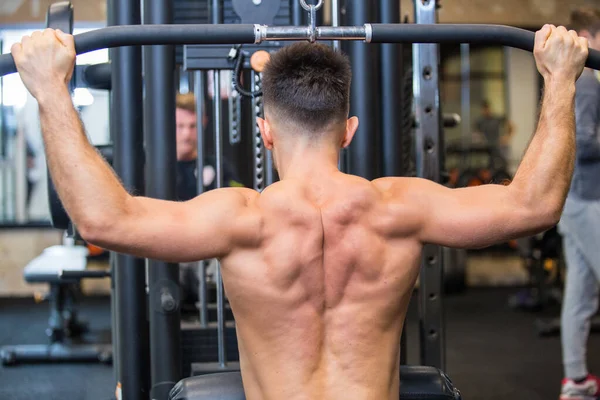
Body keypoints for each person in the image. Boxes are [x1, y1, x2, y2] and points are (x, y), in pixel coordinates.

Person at [11, 25, 587, 399]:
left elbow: (102, 220)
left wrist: (51, 90)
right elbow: (534, 205)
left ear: (263, 134)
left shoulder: (242, 219)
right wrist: (560, 80)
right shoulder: (399, 208)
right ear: (349, 131)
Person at [557, 7, 600, 400]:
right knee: (581, 294)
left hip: (573, 199)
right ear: (588, 37)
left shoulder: (574, 81)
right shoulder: (586, 82)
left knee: (581, 295)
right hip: (586, 199)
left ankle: (575, 380)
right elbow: (584, 143)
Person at [473, 99, 514, 167]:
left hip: (498, 147)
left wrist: (507, 137)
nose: (485, 111)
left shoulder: (496, 118)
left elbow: (511, 127)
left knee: (503, 165)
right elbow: (476, 133)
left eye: (486, 108)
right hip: (487, 149)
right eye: (483, 109)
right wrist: (479, 139)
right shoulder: (480, 121)